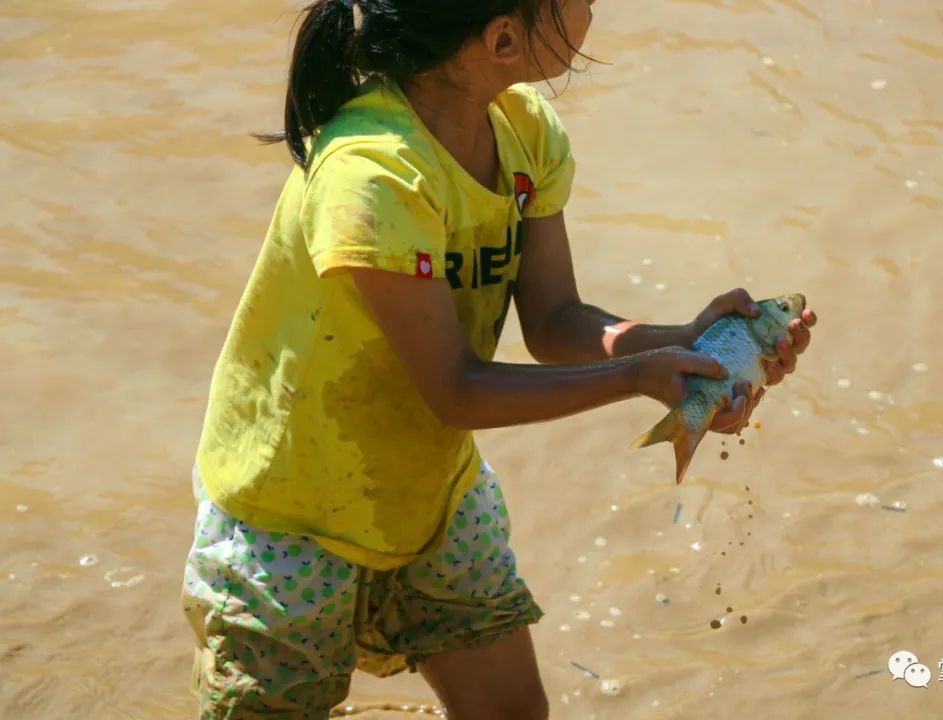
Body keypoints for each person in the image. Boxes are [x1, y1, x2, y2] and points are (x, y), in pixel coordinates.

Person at [180, 0, 816, 717]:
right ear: (504, 37)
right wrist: (637, 378)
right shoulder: (375, 175)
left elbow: (554, 320)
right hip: (288, 518)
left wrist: (686, 348)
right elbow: (454, 390)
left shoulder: (524, 133)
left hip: (431, 494)